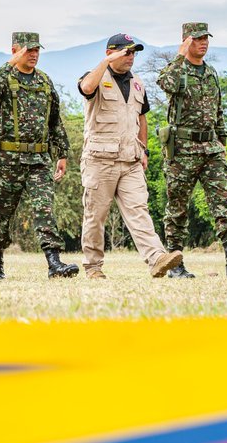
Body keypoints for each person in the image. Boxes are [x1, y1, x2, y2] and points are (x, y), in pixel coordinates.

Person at [158, 22, 227, 278]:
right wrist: (179, 56)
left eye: (206, 38)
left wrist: (222, 143)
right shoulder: (177, 71)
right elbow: (164, 82)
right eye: (197, 39)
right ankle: (175, 264)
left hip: (211, 147)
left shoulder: (211, 72)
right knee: (178, 208)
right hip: (182, 149)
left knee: (224, 202)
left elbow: (218, 110)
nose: (203, 43)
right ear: (185, 42)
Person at [76, 33, 182, 279]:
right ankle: (93, 267)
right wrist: (106, 62)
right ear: (110, 53)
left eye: (133, 53)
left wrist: (143, 149)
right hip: (99, 160)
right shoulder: (95, 76)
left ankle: (157, 258)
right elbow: (86, 88)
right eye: (126, 52)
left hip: (130, 160)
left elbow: (141, 118)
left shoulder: (138, 83)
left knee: (139, 210)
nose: (131, 57)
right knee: (95, 215)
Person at [0, 32, 79, 279]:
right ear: (15, 50)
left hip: (39, 159)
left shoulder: (44, 81)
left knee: (45, 209)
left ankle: (54, 263)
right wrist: (12, 62)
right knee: (2, 213)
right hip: (8, 159)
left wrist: (62, 154)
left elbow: (55, 121)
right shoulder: (4, 77)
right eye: (28, 50)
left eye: (36, 50)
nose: (34, 55)